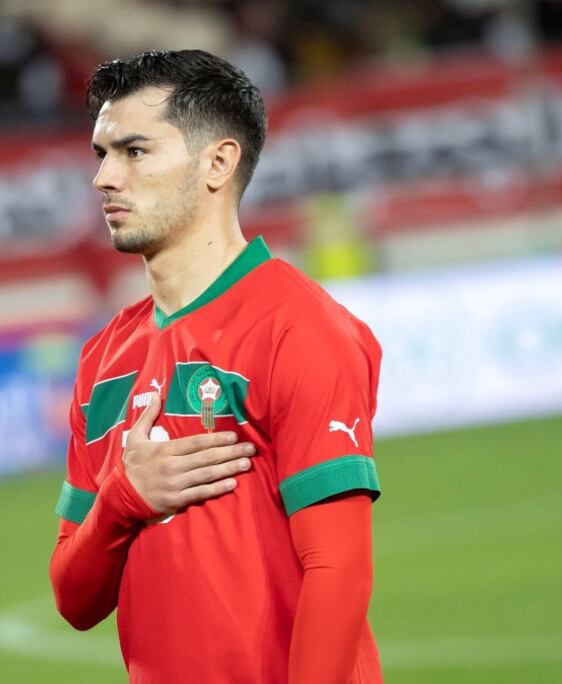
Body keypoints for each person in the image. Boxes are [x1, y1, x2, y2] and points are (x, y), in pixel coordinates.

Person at [49, 50, 383, 683]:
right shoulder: (102, 361)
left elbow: (338, 571)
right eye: (102, 154)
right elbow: (74, 599)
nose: (104, 178)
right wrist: (125, 499)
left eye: (135, 151)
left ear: (218, 163)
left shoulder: (298, 327)